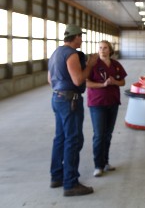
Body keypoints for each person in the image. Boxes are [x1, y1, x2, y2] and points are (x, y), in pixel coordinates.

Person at [48, 24, 98, 197]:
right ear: (75, 37)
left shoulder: (56, 53)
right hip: (70, 100)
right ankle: (71, 183)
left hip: (57, 97)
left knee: (60, 138)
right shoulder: (71, 54)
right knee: (73, 140)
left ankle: (56, 176)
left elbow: (50, 79)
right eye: (80, 37)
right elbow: (78, 80)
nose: (81, 40)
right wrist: (90, 65)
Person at [86, 40, 127, 177]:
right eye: (100, 48)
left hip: (113, 103)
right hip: (97, 103)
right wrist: (103, 85)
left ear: (110, 50)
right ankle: (98, 165)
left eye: (105, 48)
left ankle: (105, 162)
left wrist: (115, 82)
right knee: (99, 135)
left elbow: (123, 81)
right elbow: (87, 83)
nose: (102, 50)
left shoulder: (116, 65)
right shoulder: (93, 65)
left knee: (108, 134)